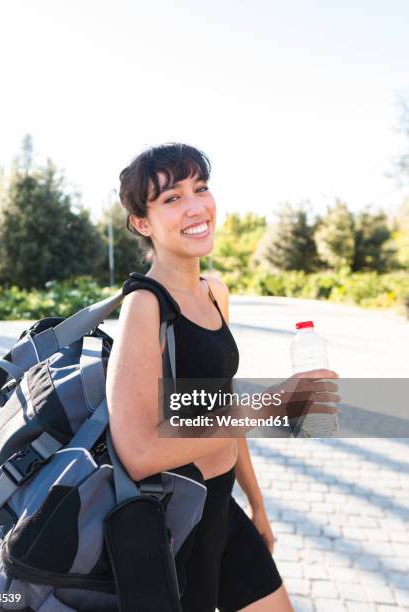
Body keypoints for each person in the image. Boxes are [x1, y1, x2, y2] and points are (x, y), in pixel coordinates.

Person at [106, 143, 339, 611]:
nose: (196, 206)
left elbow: (224, 413)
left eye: (201, 188)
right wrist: (273, 403)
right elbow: (138, 453)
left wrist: (257, 504)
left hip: (222, 507)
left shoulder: (215, 292)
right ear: (141, 223)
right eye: (171, 198)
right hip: (176, 523)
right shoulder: (144, 306)